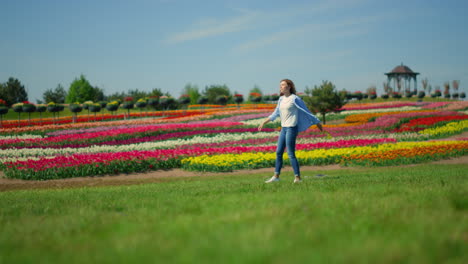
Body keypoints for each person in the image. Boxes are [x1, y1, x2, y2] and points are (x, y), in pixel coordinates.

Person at [258, 79, 324, 183]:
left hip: (291, 128)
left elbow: (306, 111)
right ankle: (276, 177)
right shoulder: (281, 99)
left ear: (289, 87)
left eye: (283, 85)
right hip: (283, 129)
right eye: (280, 85)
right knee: (279, 152)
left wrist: (317, 122)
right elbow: (275, 114)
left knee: (290, 154)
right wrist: (263, 122)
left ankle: (297, 178)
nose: (281, 87)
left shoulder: (295, 99)